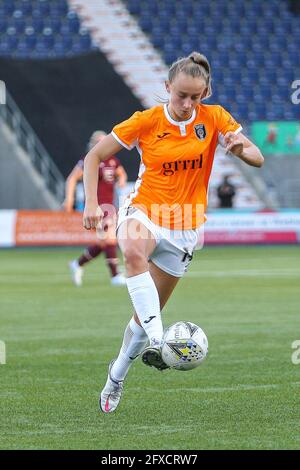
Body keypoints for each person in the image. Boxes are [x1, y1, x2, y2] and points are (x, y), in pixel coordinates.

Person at [83, 52, 264, 413]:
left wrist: (242, 150)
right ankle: (159, 340)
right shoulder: (146, 121)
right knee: (133, 250)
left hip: (185, 226)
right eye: (181, 95)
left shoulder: (214, 119)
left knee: (141, 315)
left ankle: (117, 374)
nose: (187, 104)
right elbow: (94, 157)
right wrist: (90, 203)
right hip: (146, 209)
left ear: (206, 93)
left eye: (196, 97)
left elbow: (258, 156)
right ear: (167, 88)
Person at [63, 130, 128, 286]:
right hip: (96, 206)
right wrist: (69, 198)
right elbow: (72, 178)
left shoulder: (113, 160)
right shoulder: (89, 160)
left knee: (102, 242)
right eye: (100, 141)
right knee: (110, 237)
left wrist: (122, 181)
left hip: (109, 206)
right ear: (93, 144)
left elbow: (122, 173)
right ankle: (115, 276)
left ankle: (77, 264)